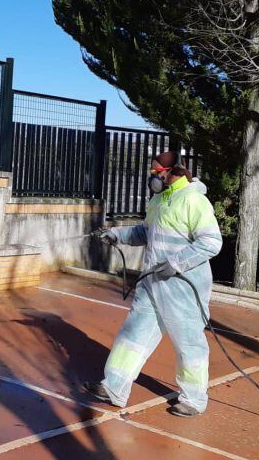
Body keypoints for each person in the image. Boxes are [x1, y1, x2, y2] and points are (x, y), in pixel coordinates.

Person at [84, 151, 222, 417]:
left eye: (156, 174)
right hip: (153, 282)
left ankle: (193, 399)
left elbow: (211, 243)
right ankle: (114, 386)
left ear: (173, 172)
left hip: (183, 286)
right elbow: (146, 233)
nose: (153, 178)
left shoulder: (194, 201)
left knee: (189, 343)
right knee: (133, 334)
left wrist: (177, 263)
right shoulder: (159, 199)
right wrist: (117, 235)